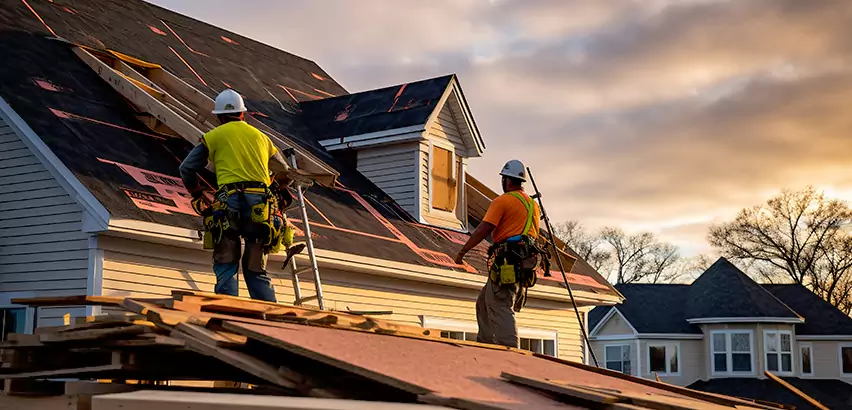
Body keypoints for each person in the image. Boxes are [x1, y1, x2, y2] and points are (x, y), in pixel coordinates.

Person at [179, 89, 292, 302]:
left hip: (228, 204)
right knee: (256, 269)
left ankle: (227, 317)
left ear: (219, 116)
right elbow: (285, 172)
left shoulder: (214, 136)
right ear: (243, 114)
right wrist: (272, 187)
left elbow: (186, 168)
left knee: (227, 263)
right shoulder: (262, 138)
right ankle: (268, 321)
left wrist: (197, 192)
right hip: (260, 206)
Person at [454, 159, 542, 348]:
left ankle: (509, 351)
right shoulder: (532, 205)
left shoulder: (502, 201)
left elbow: (484, 228)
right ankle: (486, 345)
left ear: (507, 181)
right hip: (523, 261)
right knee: (484, 303)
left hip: (508, 261)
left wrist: (462, 252)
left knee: (501, 304)